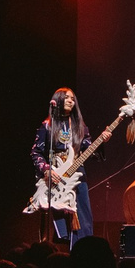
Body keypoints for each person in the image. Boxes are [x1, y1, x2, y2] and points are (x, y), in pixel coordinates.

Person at [32, 88, 95, 244]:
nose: (70, 101)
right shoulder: (47, 125)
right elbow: (36, 152)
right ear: (58, 99)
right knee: (61, 223)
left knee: (83, 215)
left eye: (73, 99)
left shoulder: (79, 125)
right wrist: (47, 170)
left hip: (77, 173)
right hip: (56, 176)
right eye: (66, 97)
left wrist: (101, 142)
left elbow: (89, 147)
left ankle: (83, 250)